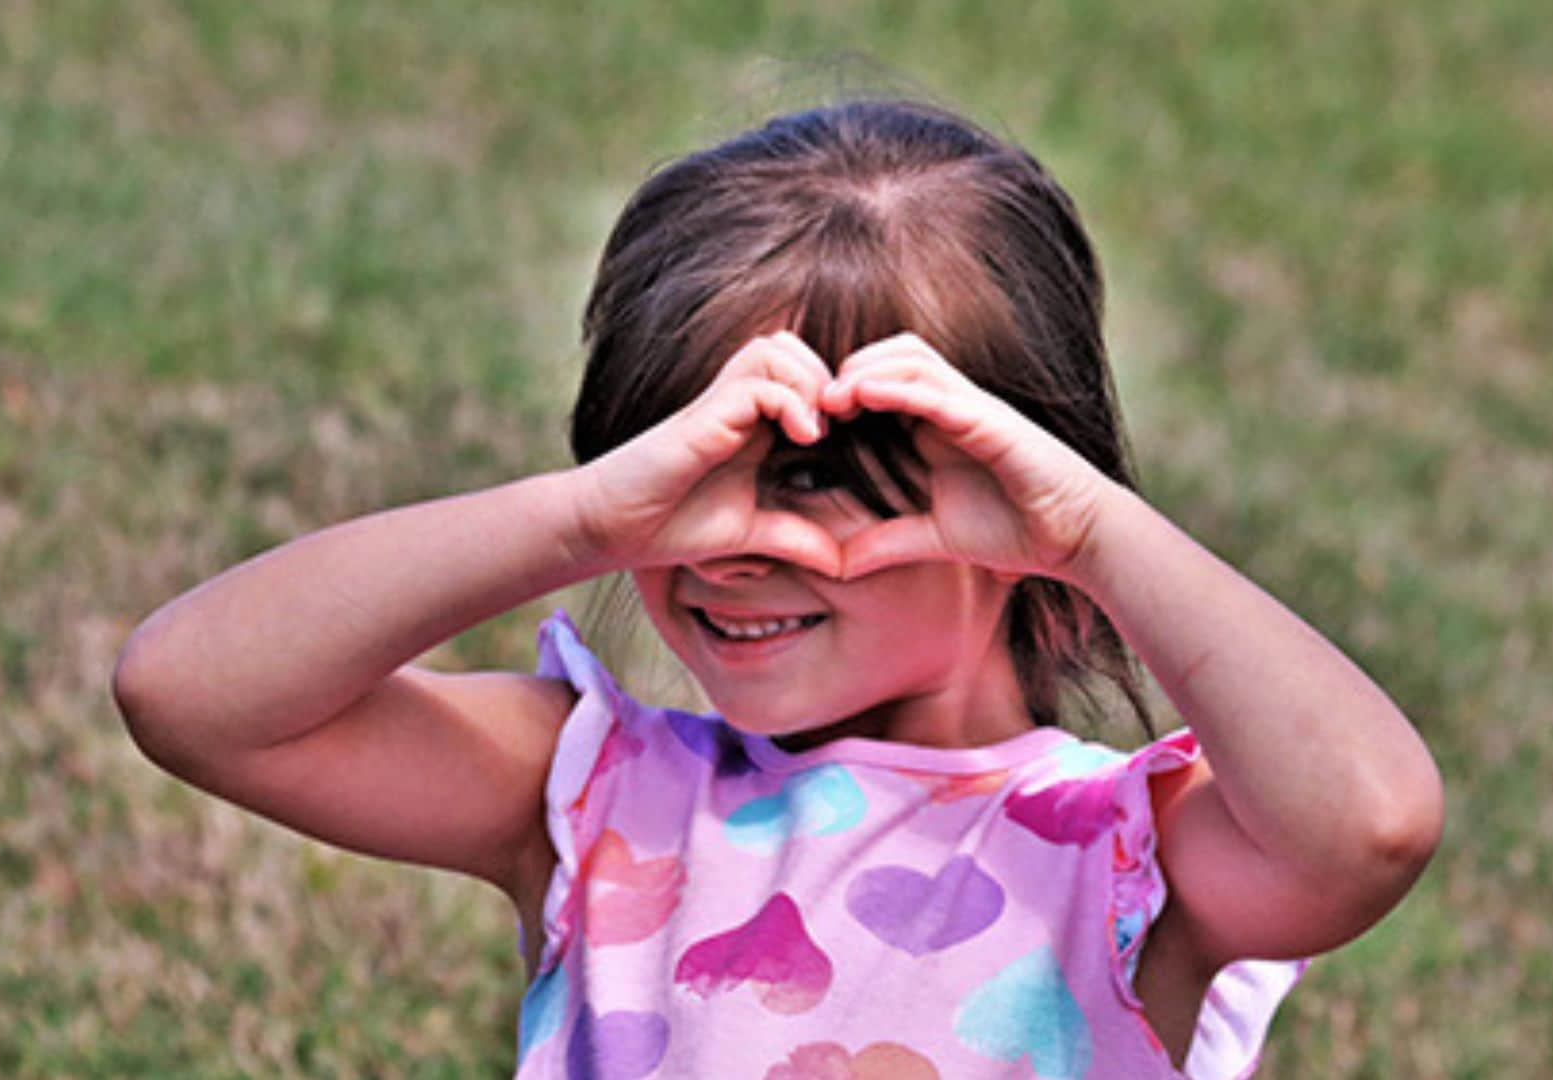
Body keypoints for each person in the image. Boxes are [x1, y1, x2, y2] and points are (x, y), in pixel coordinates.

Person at [111, 97, 1444, 1079]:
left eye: (812, 485)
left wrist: (1093, 531)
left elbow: (1371, 825)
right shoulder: (593, 794)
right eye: (686, 473)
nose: (726, 548)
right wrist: (582, 517)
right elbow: (192, 695)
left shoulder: (1125, 856)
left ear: (1009, 493)